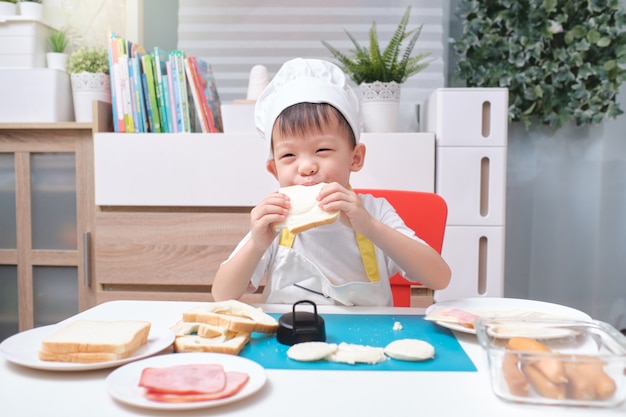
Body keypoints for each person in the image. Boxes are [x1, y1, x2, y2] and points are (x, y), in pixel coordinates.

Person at [211, 58, 450, 306]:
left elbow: (439, 278)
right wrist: (256, 244)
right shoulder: (275, 219)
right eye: (289, 155)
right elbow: (222, 295)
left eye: (322, 149)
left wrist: (369, 226)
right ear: (274, 170)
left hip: (363, 342)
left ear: (355, 158)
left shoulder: (374, 211)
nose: (306, 166)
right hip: (287, 340)